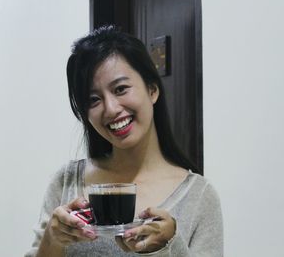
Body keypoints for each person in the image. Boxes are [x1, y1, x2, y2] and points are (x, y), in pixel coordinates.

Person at [25, 26, 223, 257]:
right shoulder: (66, 182)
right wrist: (52, 238)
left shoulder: (199, 197)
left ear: (152, 89)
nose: (111, 109)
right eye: (93, 99)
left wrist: (168, 245)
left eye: (120, 89)